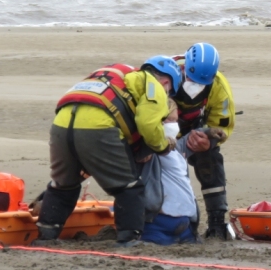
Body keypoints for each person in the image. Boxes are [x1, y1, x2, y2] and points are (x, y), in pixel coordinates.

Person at [33, 55, 182, 247]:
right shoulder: (155, 86)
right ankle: (129, 241)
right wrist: (162, 145)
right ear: (166, 82)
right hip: (99, 127)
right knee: (128, 187)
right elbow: (147, 124)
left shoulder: (116, 73)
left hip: (61, 124)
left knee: (63, 186)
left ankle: (46, 236)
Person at [140, 99, 227, 245]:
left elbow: (192, 137)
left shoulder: (176, 148)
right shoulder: (147, 150)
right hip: (156, 226)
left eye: (175, 120)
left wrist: (210, 133)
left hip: (186, 227)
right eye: (168, 120)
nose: (173, 125)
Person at [171, 43, 235, 240]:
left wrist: (209, 142)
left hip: (197, 130)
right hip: (161, 129)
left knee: (210, 158)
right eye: (191, 78)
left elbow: (223, 125)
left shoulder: (218, 87)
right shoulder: (165, 74)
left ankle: (216, 223)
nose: (195, 83)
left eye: (202, 82)